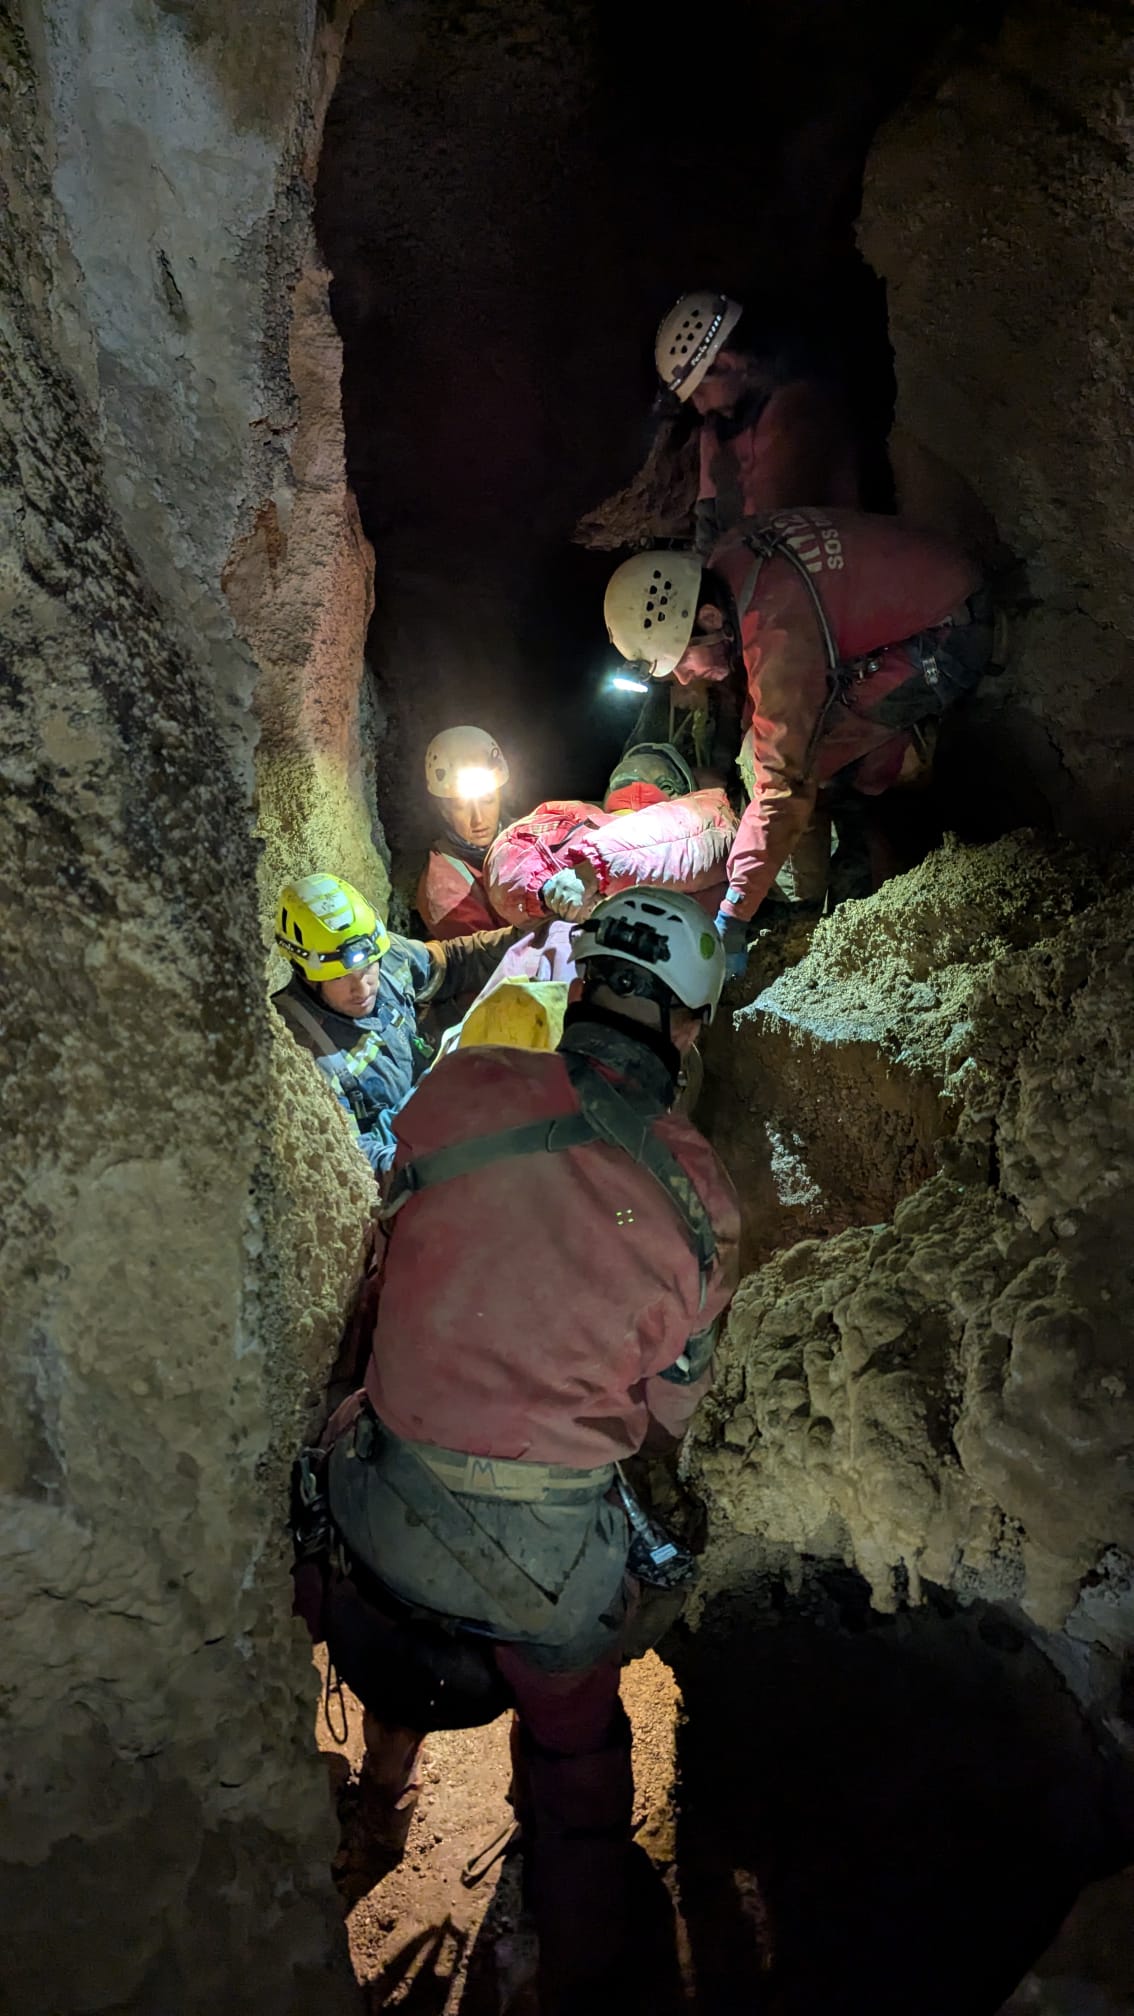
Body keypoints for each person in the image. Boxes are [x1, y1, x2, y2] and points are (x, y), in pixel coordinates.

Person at [318, 888, 739, 2013]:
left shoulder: (456, 1092)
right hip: (543, 1572)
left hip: (378, 1511)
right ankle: (579, 1931)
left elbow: (392, 1242)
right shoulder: (698, 1198)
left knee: (356, 1462)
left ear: (580, 989)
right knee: (577, 1724)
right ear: (686, 1028)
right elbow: (665, 1419)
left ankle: (379, 1804)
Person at [603, 510, 1004, 970]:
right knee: (765, 751)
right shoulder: (730, 565)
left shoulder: (775, 630)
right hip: (931, 586)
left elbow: (783, 784)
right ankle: (800, 875)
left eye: (681, 659)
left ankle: (805, 908)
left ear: (710, 617)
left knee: (800, 765)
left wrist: (733, 917)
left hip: (949, 633)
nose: (683, 676)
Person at [272, 873, 513, 1173]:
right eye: (338, 977)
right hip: (403, 1155)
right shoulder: (297, 1052)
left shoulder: (388, 958)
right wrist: (435, 1165)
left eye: (366, 967)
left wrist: (542, 930)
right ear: (304, 972)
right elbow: (351, 1160)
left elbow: (456, 960)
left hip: (442, 1099)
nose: (362, 989)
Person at [654, 290, 863, 556]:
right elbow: (709, 527)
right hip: (758, 576)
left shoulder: (799, 412)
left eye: (699, 392)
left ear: (724, 363)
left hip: (820, 574)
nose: (701, 407)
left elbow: (776, 534)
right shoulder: (717, 432)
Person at [483, 740, 738, 927]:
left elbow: (508, 853)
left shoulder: (571, 819)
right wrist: (546, 889)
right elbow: (507, 851)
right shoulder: (706, 810)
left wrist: (587, 873)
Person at [416, 724, 511, 937]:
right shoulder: (446, 889)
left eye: (488, 800)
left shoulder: (524, 835)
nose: (478, 819)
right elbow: (488, 959)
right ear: (445, 811)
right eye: (461, 806)